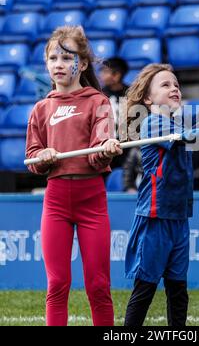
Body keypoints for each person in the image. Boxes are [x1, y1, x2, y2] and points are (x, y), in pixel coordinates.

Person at [122, 63, 199, 326]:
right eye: (165, 85)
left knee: (178, 290)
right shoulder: (152, 123)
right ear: (147, 98)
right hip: (154, 218)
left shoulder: (175, 122)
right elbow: (191, 137)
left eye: (176, 85)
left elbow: (195, 123)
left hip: (178, 218)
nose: (174, 89)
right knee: (145, 289)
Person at [25, 26, 122, 326]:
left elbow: (95, 157)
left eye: (66, 58)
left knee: (98, 286)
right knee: (56, 285)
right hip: (55, 203)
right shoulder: (41, 109)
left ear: (81, 63)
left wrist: (104, 150)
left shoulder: (98, 102)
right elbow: (32, 158)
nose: (58, 64)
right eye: (53, 58)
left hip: (92, 200)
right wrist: (42, 157)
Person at [99, 57, 129, 168]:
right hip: (105, 145)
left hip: (127, 146)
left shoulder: (131, 94)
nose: (101, 75)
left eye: (105, 71)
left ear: (117, 75)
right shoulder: (99, 95)